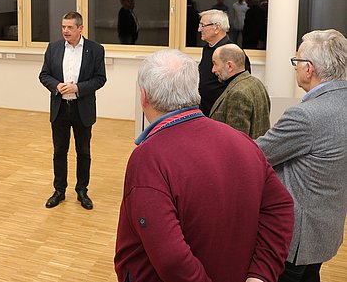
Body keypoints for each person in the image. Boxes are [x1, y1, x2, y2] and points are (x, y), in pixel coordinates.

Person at [115, 49, 294, 282]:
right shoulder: (242, 141)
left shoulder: (147, 159)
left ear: (143, 97)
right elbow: (281, 207)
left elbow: (171, 259)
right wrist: (260, 274)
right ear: (195, 90)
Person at [257, 29, 347, 282]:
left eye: (296, 61)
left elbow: (258, 154)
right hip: (326, 229)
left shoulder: (306, 116)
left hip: (295, 239)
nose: (295, 67)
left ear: (309, 69)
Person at [39, 11, 106, 210]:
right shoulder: (53, 48)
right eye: (63, 27)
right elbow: (44, 75)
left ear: (80, 28)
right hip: (60, 109)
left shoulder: (95, 50)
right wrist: (56, 85)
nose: (65, 31)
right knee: (59, 151)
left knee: (83, 152)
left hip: (82, 109)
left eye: (69, 27)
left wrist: (78, 88)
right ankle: (59, 191)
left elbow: (100, 79)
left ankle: (82, 191)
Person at [210, 44, 270, 139]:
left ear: (229, 66)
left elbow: (236, 141)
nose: (213, 70)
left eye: (215, 64)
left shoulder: (238, 94)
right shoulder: (257, 83)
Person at [197, 9, 251, 116]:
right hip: (204, 109)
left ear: (216, 28)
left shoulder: (233, 52)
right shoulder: (207, 48)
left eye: (203, 25)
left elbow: (241, 86)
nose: (199, 29)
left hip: (221, 113)